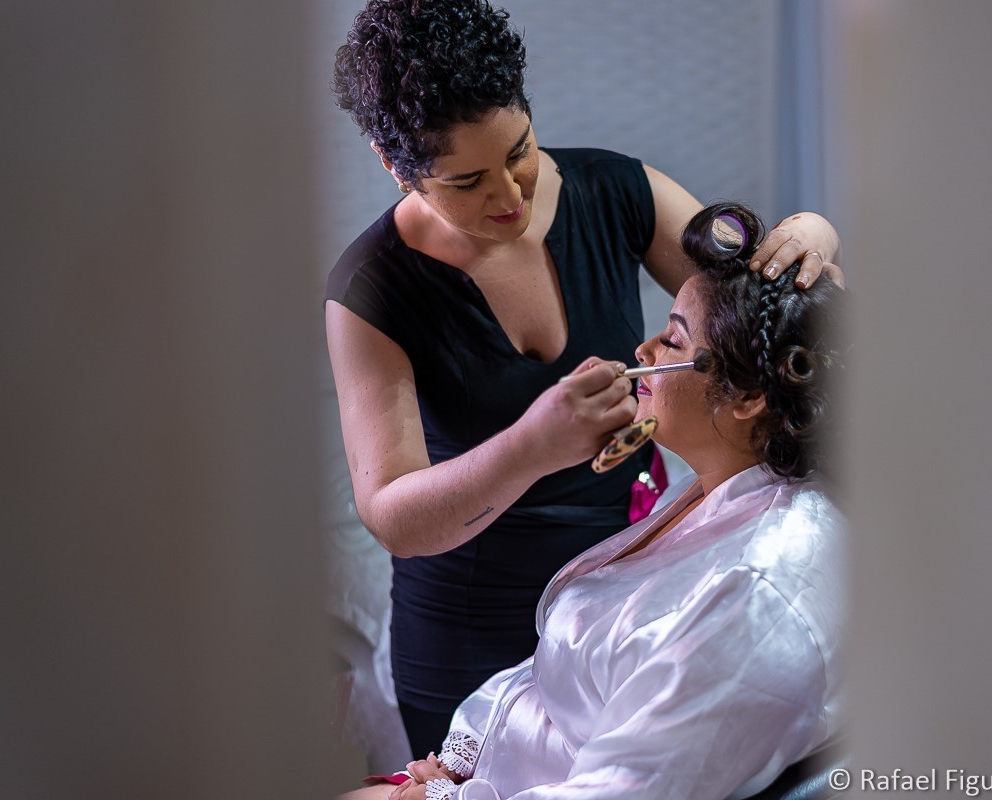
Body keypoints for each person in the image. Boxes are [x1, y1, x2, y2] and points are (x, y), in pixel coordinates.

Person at [326, 0, 843, 756]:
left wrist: (812, 237)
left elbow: (765, 321)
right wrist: (530, 447)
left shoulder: (621, 192)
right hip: (467, 635)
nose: (510, 196)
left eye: (520, 152)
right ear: (394, 166)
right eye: (467, 182)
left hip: (629, 600)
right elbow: (392, 516)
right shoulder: (371, 290)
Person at [342, 200, 848, 800]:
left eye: (673, 338)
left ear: (748, 397)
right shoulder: (720, 493)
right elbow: (562, 683)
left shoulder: (757, 596)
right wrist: (459, 764)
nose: (644, 351)